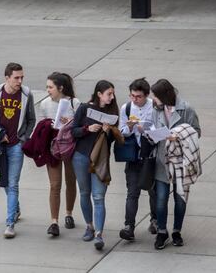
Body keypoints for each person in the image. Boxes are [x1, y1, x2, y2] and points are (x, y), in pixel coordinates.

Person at [0, 62, 36, 238]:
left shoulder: (27, 94)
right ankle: (16, 209)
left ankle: (10, 224)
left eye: (22, 77)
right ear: (7, 78)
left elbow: (31, 119)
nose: (20, 81)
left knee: (12, 184)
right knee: (5, 181)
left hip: (16, 147)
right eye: (16, 78)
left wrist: (23, 139)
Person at [150, 79, 201, 250]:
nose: (153, 99)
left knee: (180, 200)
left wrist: (177, 136)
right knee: (161, 199)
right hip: (162, 160)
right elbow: (152, 129)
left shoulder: (186, 109)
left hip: (180, 161)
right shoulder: (156, 109)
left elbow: (196, 132)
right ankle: (162, 232)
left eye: (155, 96)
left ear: (164, 95)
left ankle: (177, 231)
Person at [71, 80, 119, 250]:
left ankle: (99, 234)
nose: (112, 97)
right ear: (99, 94)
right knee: (85, 193)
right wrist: (87, 129)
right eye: (109, 94)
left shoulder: (113, 112)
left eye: (112, 94)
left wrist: (108, 132)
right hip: (81, 156)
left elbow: (115, 140)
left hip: (100, 159)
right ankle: (89, 226)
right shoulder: (84, 108)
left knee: (98, 197)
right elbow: (73, 131)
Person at [38, 72, 81, 237]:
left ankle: (68, 213)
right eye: (47, 86)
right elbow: (40, 127)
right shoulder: (45, 104)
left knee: (71, 182)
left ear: (60, 88)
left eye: (50, 87)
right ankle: (54, 221)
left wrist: (70, 123)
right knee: (55, 185)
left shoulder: (74, 103)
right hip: (53, 148)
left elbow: (80, 125)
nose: (48, 90)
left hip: (70, 147)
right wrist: (47, 124)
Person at [118, 78, 157, 241]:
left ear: (146, 95)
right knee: (132, 192)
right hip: (134, 156)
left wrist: (145, 129)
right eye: (132, 95)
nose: (134, 99)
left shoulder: (155, 107)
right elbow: (122, 131)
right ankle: (129, 226)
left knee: (153, 191)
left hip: (150, 155)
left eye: (138, 96)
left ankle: (155, 220)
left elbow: (160, 130)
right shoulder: (126, 107)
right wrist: (130, 127)